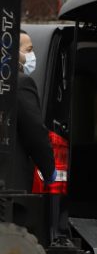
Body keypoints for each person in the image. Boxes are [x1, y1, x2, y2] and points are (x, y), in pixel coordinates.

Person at [12, 30, 55, 192]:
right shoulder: (21, 83)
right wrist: (49, 170)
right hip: (11, 186)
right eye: (29, 50)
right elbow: (34, 132)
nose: (32, 56)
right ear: (14, 52)